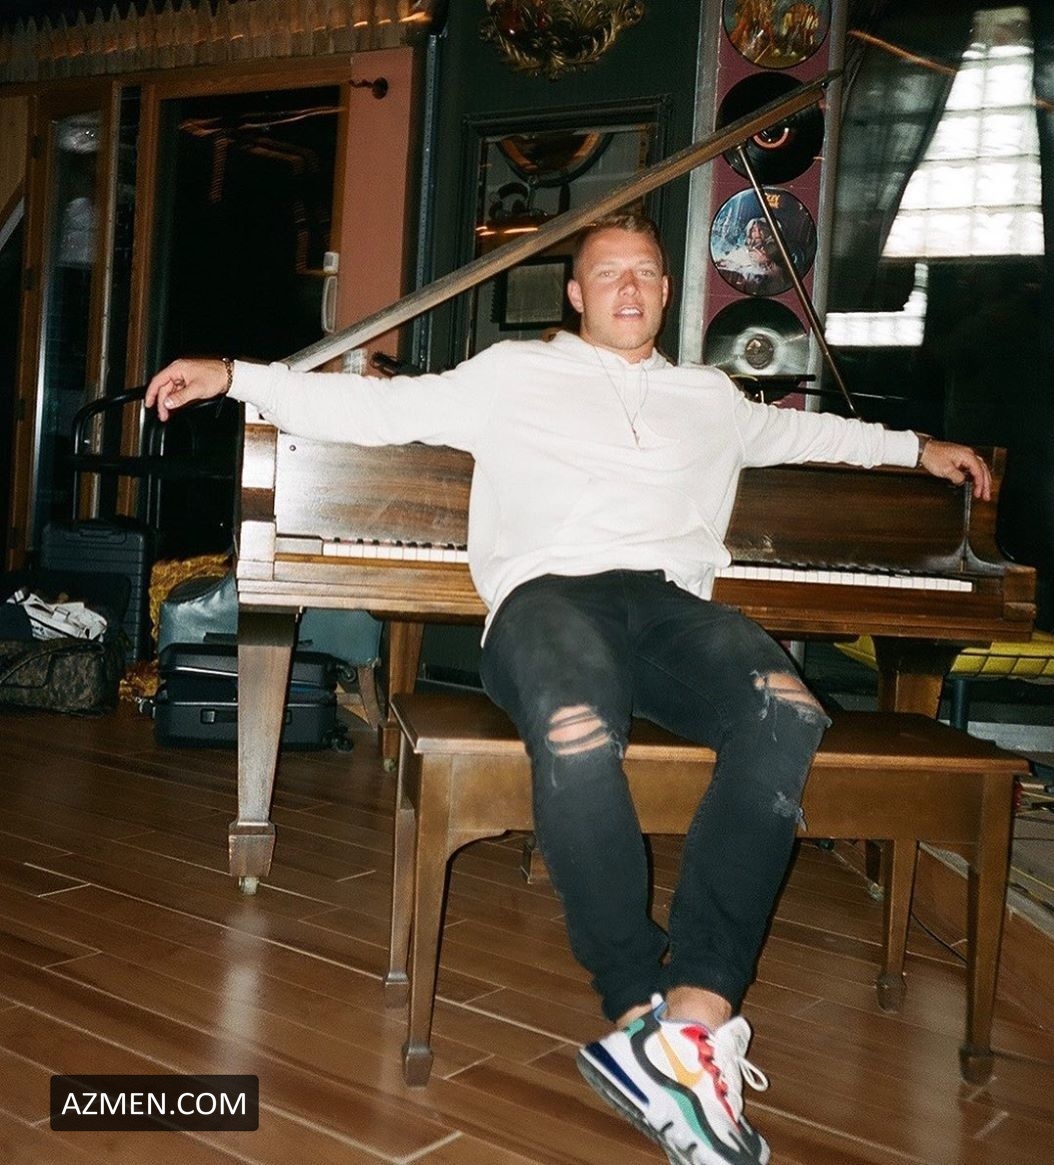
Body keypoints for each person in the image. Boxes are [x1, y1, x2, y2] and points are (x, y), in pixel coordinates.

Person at [146, 212, 990, 1165]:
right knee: (580, 729)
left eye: (646, 272)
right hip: (546, 598)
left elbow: (816, 432)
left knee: (787, 711)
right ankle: (636, 1007)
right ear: (579, 295)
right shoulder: (512, 373)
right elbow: (374, 411)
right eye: (608, 274)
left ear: (666, 292)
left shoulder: (712, 397)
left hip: (669, 607)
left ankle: (696, 1019)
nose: (629, 287)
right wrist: (234, 375)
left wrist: (916, 447)